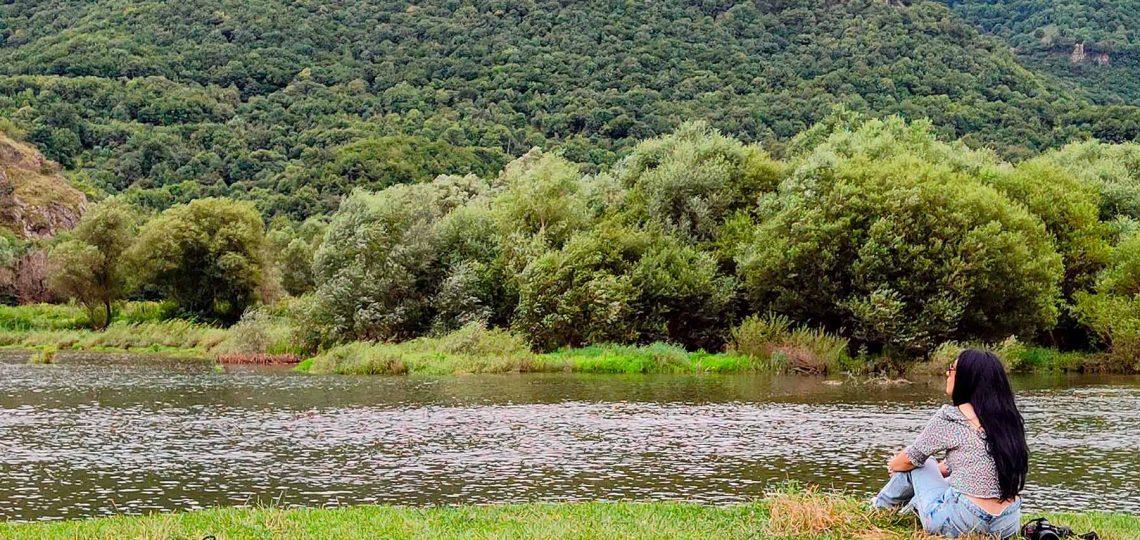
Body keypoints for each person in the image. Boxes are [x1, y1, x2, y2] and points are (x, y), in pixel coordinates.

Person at [872, 349, 1029, 538]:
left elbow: (910, 459)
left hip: (962, 521)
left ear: (966, 378)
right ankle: (910, 506)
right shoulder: (1008, 421)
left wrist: (895, 466)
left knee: (921, 462)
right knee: (939, 475)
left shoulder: (952, 416)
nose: (947, 374)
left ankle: (878, 507)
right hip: (1006, 524)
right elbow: (974, 459)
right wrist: (938, 470)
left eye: (951, 369)